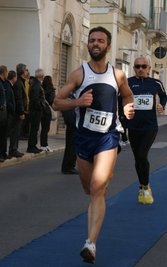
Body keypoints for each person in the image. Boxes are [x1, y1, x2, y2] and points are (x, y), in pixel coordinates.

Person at [52, 26, 134, 264]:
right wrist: (78, 101)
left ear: (108, 47)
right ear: (88, 45)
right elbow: (57, 102)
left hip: (108, 136)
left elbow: (127, 95)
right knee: (90, 189)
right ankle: (100, 183)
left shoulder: (118, 75)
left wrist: (128, 106)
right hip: (84, 137)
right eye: (92, 40)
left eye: (100, 41)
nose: (95, 43)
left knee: (98, 188)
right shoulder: (79, 74)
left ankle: (90, 244)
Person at [127, 56, 167, 205]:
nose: (140, 69)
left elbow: (164, 96)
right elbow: (121, 100)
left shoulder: (156, 83)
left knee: (142, 153)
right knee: (137, 158)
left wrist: (161, 105)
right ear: (134, 68)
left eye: (144, 66)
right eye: (137, 66)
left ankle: (146, 187)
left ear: (149, 69)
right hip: (133, 126)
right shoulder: (128, 82)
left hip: (150, 126)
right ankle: (142, 185)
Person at [8, 63, 28, 158]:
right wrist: (21, 111)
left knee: (17, 130)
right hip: (17, 111)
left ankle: (14, 148)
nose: (27, 71)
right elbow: (18, 98)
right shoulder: (19, 83)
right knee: (15, 130)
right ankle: (13, 149)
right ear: (23, 71)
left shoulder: (21, 82)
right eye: (26, 69)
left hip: (18, 110)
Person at [0, 70, 16, 160]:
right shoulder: (7, 86)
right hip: (6, 114)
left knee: (4, 134)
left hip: (7, 113)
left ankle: (3, 153)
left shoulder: (8, 85)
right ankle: (1, 152)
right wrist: (12, 108)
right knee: (3, 134)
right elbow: (7, 100)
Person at [27, 68, 46, 154]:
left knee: (35, 128)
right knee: (34, 128)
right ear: (42, 76)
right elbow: (35, 98)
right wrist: (40, 107)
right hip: (35, 110)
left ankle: (33, 145)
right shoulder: (36, 85)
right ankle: (32, 146)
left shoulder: (35, 83)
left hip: (35, 109)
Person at [61, 94, 78, 175]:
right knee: (72, 147)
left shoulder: (69, 97)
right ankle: (69, 166)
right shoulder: (73, 98)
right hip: (73, 124)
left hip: (70, 124)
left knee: (69, 146)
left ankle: (67, 166)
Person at [40, 75, 56, 152]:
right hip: (47, 111)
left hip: (40, 110)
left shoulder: (41, 88)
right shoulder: (52, 90)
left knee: (42, 128)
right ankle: (44, 144)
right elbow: (51, 100)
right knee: (46, 129)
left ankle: (42, 144)